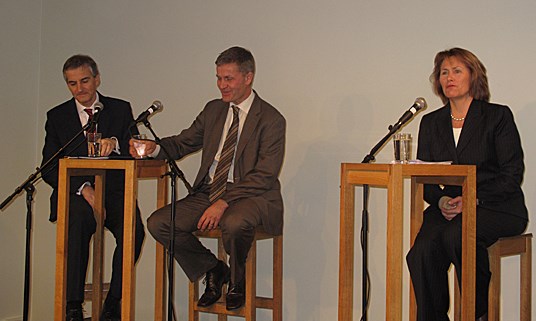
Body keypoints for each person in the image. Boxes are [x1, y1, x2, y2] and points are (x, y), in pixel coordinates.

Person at [130, 46, 285, 310]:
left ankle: (238, 281)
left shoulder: (271, 119)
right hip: (209, 190)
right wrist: (153, 149)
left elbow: (264, 175)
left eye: (228, 79)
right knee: (159, 222)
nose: (221, 85)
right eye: (218, 78)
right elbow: (183, 142)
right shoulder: (214, 110)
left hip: (251, 195)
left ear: (248, 77)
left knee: (235, 223)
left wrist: (223, 201)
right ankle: (214, 269)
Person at [406, 47, 528, 321]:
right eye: (443, 72)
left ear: (474, 76)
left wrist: (472, 199)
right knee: (420, 252)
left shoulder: (497, 116)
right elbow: (425, 177)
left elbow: (512, 174)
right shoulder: (431, 122)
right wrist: (440, 201)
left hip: (496, 206)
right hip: (448, 208)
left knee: (458, 236)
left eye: (457, 71)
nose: (449, 77)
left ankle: (476, 313)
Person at [41, 54, 145, 321]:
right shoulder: (57, 116)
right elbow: (48, 167)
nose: (80, 89)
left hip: (112, 192)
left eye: (85, 81)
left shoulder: (120, 109)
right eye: (72, 83)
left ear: (97, 79)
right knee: (77, 222)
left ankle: (113, 302)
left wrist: (117, 143)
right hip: (76, 193)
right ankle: (73, 306)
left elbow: (135, 151)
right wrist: (84, 188)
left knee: (135, 232)